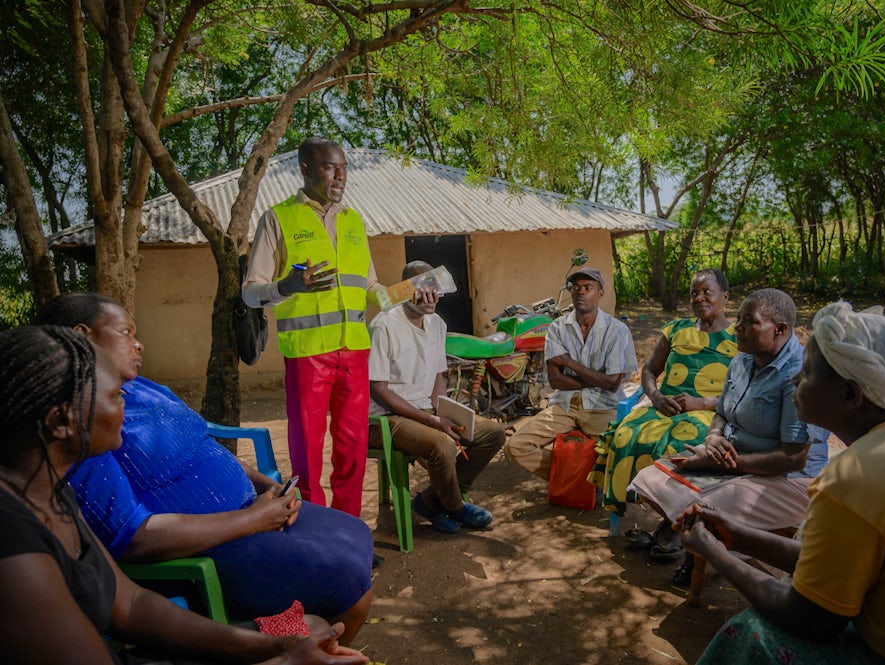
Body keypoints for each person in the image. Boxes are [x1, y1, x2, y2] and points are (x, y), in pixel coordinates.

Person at [0, 325, 368, 665]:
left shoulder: (52, 495)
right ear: (61, 422)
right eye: (114, 396)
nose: (126, 407)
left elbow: (129, 604)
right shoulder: (15, 549)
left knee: (308, 627)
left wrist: (275, 644)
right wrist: (280, 660)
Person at [682, 302, 885, 664]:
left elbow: (810, 619)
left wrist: (712, 552)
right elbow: (838, 563)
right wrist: (737, 536)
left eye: (807, 372)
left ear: (851, 394)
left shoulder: (856, 474)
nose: (793, 380)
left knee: (752, 633)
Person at [628, 289, 827, 580]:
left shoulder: (798, 375)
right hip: (736, 461)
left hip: (789, 479)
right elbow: (722, 410)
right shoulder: (742, 361)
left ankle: (706, 552)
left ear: (780, 329)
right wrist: (712, 438)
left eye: (749, 322)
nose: (738, 328)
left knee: (700, 510)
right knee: (650, 478)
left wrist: (721, 464)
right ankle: (701, 546)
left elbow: (793, 458)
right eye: (739, 320)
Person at [243, 137, 382, 514]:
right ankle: (318, 531)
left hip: (354, 352)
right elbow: (250, 292)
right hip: (308, 357)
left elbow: (368, 286)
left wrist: (407, 296)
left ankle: (349, 533)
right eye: (329, 167)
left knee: (352, 450)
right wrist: (285, 286)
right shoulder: (278, 218)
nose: (340, 176)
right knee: (306, 449)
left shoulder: (354, 221)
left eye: (344, 168)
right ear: (304, 168)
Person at [368, 261, 506, 534]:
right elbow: (379, 390)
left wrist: (445, 412)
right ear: (405, 290)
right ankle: (455, 507)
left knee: (492, 433)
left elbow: (437, 378)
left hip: (425, 409)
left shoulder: (437, 324)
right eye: (422, 289)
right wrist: (432, 421)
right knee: (442, 444)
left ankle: (431, 500)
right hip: (385, 417)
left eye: (436, 288)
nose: (431, 296)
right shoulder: (384, 325)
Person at [589, 269, 737, 517]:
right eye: (694, 294)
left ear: (725, 296)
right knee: (625, 434)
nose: (699, 298)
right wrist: (656, 397)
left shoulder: (739, 338)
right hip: (665, 406)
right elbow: (649, 369)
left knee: (681, 444)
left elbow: (743, 392)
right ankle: (636, 496)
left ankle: (674, 519)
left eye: (706, 292)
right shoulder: (676, 330)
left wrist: (701, 403)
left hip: (710, 412)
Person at [504, 267, 638, 481]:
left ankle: (586, 480)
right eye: (576, 288)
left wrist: (569, 362)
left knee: (622, 452)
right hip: (565, 405)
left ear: (600, 293)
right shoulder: (557, 328)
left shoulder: (617, 331)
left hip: (602, 406)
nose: (580, 292)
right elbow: (556, 381)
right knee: (515, 446)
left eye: (588, 287)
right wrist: (596, 379)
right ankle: (572, 477)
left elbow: (612, 384)